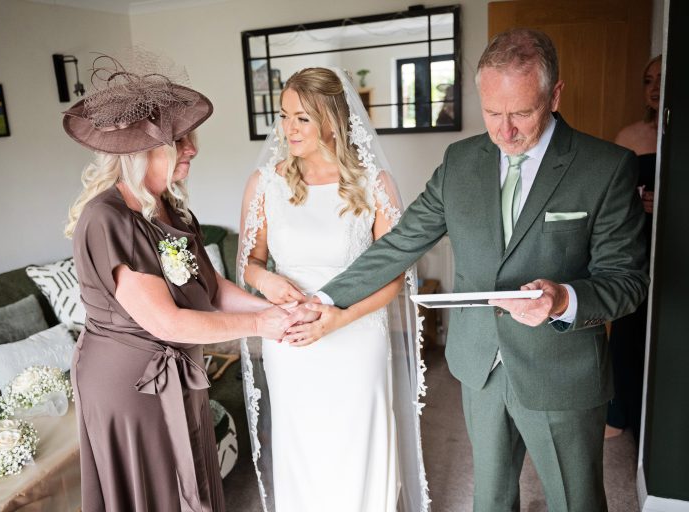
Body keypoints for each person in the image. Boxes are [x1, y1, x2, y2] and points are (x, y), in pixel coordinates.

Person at [310, 29, 649, 511]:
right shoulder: (460, 160)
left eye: (521, 113)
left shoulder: (607, 166)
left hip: (561, 369)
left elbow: (628, 281)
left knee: (577, 502)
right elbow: (402, 242)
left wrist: (562, 299)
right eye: (492, 112)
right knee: (489, 498)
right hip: (479, 365)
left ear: (555, 95)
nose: (504, 130)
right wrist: (326, 298)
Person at [62, 54, 301, 512]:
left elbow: (210, 289)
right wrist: (261, 326)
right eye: (179, 141)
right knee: (151, 490)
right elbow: (166, 323)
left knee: (188, 477)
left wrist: (271, 307)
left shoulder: (171, 209)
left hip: (179, 369)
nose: (192, 148)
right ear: (139, 152)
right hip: (129, 384)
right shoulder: (107, 219)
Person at [237, 67, 428, 511]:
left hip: (356, 334)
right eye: (284, 116)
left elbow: (393, 273)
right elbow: (250, 262)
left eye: (302, 118)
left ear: (332, 118)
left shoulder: (374, 184)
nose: (288, 129)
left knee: (356, 440)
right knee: (302, 443)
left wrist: (340, 317)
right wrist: (265, 279)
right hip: (292, 338)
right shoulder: (265, 184)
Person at [606, 54, 661, 441]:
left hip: (674, 237)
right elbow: (610, 195)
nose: (655, 86)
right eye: (648, 80)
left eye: (663, 77)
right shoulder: (630, 136)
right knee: (629, 326)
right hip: (636, 238)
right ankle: (620, 411)